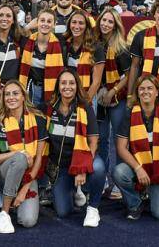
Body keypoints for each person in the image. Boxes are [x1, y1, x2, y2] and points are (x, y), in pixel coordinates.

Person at [113, 75, 159, 220]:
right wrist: (138, 169)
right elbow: (121, 148)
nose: (146, 92)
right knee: (119, 172)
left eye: (150, 88)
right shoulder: (130, 113)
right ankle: (136, 203)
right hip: (139, 166)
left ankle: (155, 192)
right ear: (137, 92)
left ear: (157, 92)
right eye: (142, 89)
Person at [45, 68, 106, 226]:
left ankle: (93, 208)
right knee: (63, 212)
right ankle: (72, 190)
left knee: (98, 167)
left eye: (71, 83)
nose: (67, 86)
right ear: (58, 86)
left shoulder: (85, 108)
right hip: (61, 167)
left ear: (77, 86)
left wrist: (82, 167)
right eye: (63, 83)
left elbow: (93, 141)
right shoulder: (48, 109)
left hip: (81, 160)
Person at [0, 79, 48, 233]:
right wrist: (17, 153)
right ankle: (4, 213)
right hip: (3, 172)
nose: (11, 97)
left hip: (28, 176)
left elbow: (38, 159)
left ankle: (10, 195)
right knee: (20, 158)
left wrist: (24, 190)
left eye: (15, 93)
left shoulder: (38, 119)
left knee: (27, 221)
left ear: (23, 96)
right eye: (7, 94)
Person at [95, 7, 133, 201]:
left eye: (110, 21)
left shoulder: (121, 46)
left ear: (116, 25)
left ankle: (119, 183)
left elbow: (128, 76)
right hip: (100, 97)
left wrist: (113, 91)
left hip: (118, 96)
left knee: (119, 140)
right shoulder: (94, 43)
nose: (106, 24)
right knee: (101, 138)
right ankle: (102, 181)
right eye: (104, 20)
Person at [18, 9, 64, 107]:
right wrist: (28, 27)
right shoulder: (27, 41)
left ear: (54, 24)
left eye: (49, 21)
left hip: (51, 91)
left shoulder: (60, 44)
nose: (45, 24)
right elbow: (18, 33)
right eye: (42, 20)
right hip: (31, 89)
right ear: (37, 22)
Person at [62, 9, 105, 104]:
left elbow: (96, 83)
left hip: (87, 97)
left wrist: (84, 103)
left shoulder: (96, 47)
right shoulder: (63, 43)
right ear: (69, 24)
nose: (77, 26)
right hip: (65, 96)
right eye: (74, 22)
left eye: (81, 23)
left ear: (87, 26)